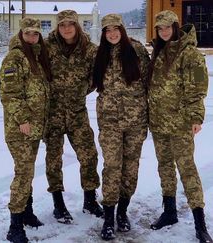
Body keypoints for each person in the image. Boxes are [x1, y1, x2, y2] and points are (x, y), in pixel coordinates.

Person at [148, 10, 212, 243]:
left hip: (180, 123)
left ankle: (200, 223)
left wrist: (196, 116)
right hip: (158, 123)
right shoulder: (160, 51)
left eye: (168, 27)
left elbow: (198, 87)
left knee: (187, 169)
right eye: (160, 28)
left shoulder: (190, 54)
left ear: (176, 27)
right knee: (165, 167)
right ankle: (169, 212)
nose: (164, 32)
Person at [92, 14, 150, 240]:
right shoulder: (100, 55)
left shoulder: (137, 52)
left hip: (136, 122)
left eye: (116, 29)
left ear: (123, 30)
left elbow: (149, 83)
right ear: (104, 33)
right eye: (108, 30)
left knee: (130, 168)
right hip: (109, 123)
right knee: (112, 167)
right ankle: (108, 217)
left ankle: (123, 212)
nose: (112, 33)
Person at [45, 9, 103, 224]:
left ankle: (90, 200)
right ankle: (58, 204)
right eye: (62, 25)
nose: (66, 28)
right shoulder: (46, 47)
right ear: (57, 27)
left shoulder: (89, 49)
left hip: (78, 112)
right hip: (53, 113)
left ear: (77, 25)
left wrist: (83, 89)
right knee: (53, 159)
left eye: (70, 24)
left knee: (89, 155)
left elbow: (98, 74)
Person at [0, 17, 51, 243]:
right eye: (28, 33)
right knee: (23, 173)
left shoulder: (37, 57)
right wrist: (22, 120)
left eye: (36, 33)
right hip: (20, 129)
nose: (32, 37)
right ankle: (15, 225)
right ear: (21, 34)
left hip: (34, 128)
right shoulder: (15, 57)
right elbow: (9, 94)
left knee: (28, 172)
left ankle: (27, 213)